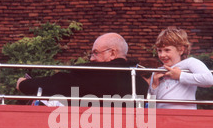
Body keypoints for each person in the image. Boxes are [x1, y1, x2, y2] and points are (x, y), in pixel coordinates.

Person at [16, 33, 148, 101]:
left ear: (112, 53)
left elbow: (59, 83)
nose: (91, 59)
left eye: (95, 53)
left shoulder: (92, 75)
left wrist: (25, 84)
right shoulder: (139, 82)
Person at [148, 27, 213, 109]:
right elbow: (150, 104)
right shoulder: (157, 71)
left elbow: (209, 80)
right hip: (162, 117)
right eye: (159, 51)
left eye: (167, 50)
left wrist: (180, 76)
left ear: (181, 50)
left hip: (185, 116)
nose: (162, 55)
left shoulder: (190, 62)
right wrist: (154, 86)